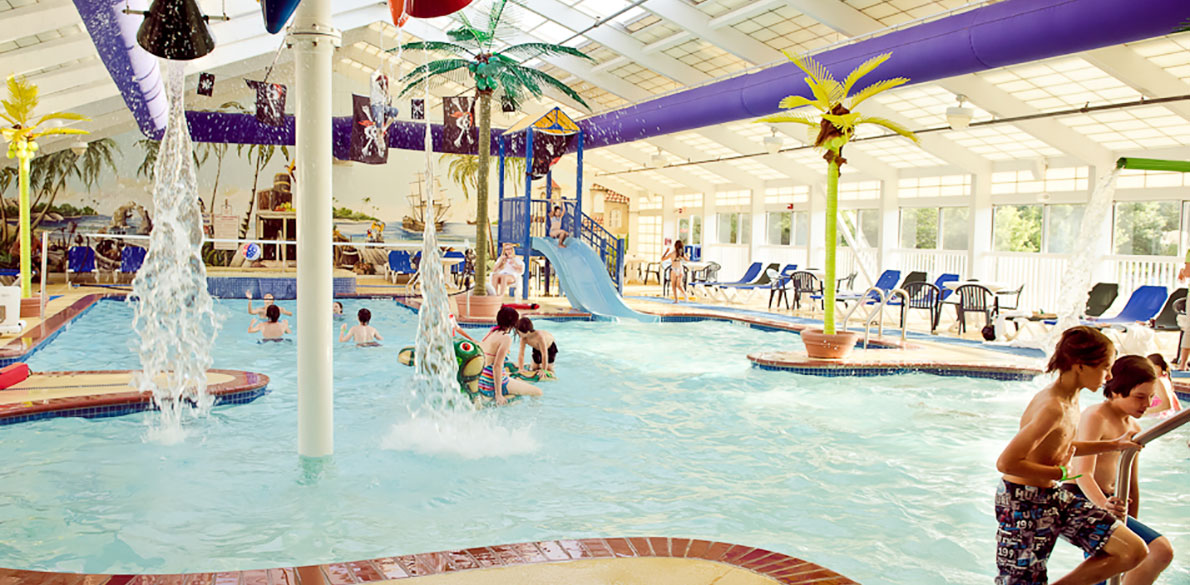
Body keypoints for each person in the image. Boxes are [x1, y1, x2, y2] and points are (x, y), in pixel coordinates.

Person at [994, 326, 1148, 585]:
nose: (1109, 376)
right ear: (1080, 366)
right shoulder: (1052, 407)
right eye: (1105, 368)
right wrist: (1062, 473)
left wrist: (1112, 444)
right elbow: (1007, 463)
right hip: (1022, 503)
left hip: (1053, 497)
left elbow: (1063, 444)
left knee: (1133, 550)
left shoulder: (1072, 399)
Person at [1070, 355, 1174, 585]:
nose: (1146, 405)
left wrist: (1130, 523)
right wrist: (1102, 505)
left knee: (1111, 566)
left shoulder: (1133, 427)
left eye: (1150, 398)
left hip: (1111, 503)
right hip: (1081, 498)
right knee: (1160, 550)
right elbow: (1081, 473)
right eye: (1139, 397)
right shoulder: (1096, 415)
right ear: (1117, 390)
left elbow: (1131, 482)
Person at [477, 306, 542, 406]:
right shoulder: (505, 338)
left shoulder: (491, 332)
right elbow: (497, 366)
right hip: (492, 383)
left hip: (482, 381)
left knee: (514, 379)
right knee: (537, 392)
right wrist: (498, 395)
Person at [1144, 353, 1183, 418]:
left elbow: (1167, 405)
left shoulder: (1158, 381)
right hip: (1167, 415)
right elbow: (1173, 398)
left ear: (1157, 367)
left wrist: (1145, 412)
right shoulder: (1165, 378)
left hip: (1158, 417)